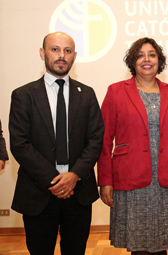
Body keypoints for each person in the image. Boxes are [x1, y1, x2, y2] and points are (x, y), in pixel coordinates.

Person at [9, 32, 104, 255]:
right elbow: (20, 144)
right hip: (38, 192)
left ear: (74, 57)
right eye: (55, 49)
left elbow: (96, 138)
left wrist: (74, 176)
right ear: (42, 53)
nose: (61, 56)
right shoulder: (23, 95)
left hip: (78, 192)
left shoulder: (87, 94)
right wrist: (55, 181)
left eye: (67, 51)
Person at [97, 37, 168, 255]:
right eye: (140, 55)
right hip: (131, 181)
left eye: (152, 54)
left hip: (167, 180)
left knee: (163, 243)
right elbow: (103, 141)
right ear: (132, 61)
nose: (146, 59)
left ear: (160, 61)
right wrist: (105, 181)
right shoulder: (115, 92)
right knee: (139, 246)